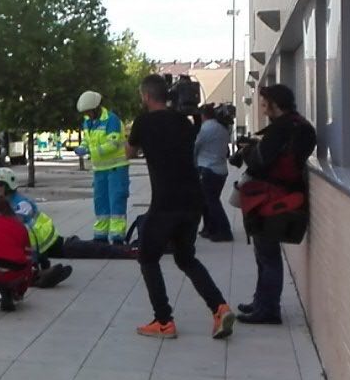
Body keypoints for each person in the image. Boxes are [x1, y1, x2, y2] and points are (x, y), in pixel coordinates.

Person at [126, 74, 235, 340]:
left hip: (165, 202)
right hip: (193, 200)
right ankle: (219, 308)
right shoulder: (185, 122)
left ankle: (163, 321)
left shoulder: (143, 122)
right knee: (186, 258)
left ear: (146, 96)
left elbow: (129, 153)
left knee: (148, 257)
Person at [234, 84, 316, 325]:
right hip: (288, 195)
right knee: (266, 253)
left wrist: (248, 151)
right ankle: (262, 301)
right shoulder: (302, 126)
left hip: (270, 197)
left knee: (267, 254)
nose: (263, 108)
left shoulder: (281, 129)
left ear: (274, 104)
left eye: (265, 103)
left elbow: (260, 161)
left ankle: (268, 308)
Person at [75, 91, 130, 244]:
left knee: (116, 202)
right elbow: (88, 140)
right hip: (100, 170)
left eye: (88, 112)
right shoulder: (88, 122)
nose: (86, 115)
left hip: (117, 168)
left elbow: (112, 145)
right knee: (101, 203)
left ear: (95, 108)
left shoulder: (112, 120)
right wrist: (81, 147)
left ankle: (118, 237)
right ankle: (101, 235)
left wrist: (89, 151)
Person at [195, 104, 233, 242]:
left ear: (203, 116)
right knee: (208, 200)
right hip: (221, 169)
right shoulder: (222, 128)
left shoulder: (206, 129)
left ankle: (224, 230)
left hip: (208, 168)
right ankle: (210, 228)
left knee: (211, 202)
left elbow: (196, 147)